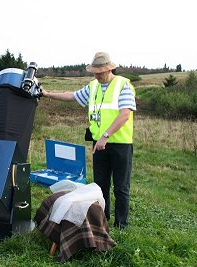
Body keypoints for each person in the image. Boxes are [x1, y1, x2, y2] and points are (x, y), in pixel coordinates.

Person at [41, 52, 136, 228]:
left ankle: (121, 225)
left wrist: (105, 136)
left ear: (109, 69)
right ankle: (102, 221)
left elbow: (124, 115)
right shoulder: (93, 86)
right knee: (100, 186)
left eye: (99, 72)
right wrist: (47, 94)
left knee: (121, 187)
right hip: (99, 145)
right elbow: (72, 96)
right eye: (94, 72)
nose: (96, 75)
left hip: (120, 145)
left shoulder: (123, 85)